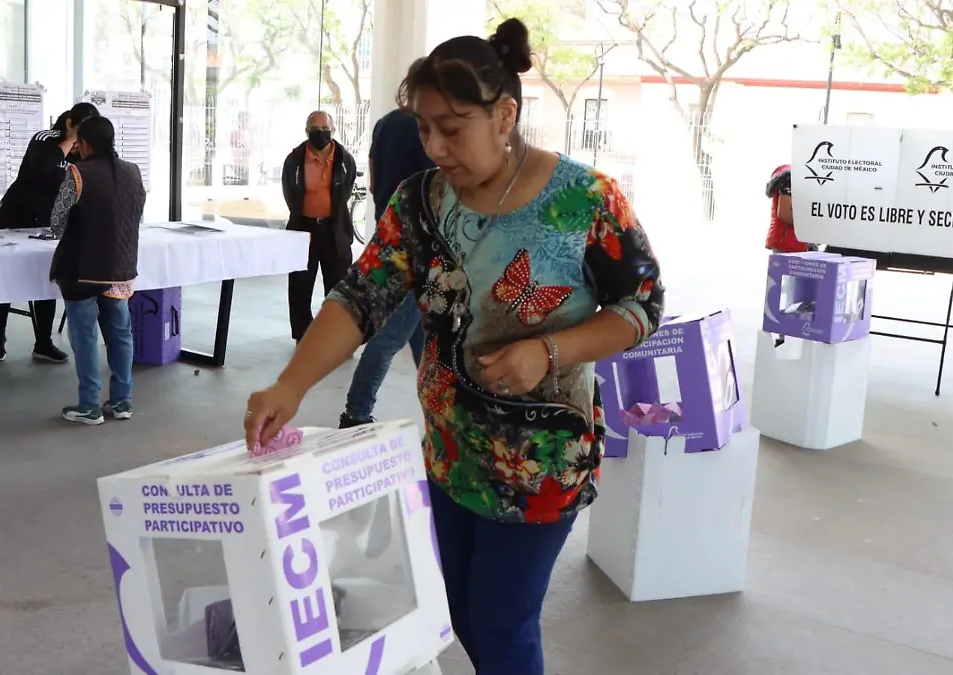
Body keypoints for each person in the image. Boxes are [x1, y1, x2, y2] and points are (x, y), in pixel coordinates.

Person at [244, 19, 663, 674]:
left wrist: (549, 352)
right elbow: (362, 297)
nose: (435, 145)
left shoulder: (586, 200)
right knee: (457, 610)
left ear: (504, 116)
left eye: (452, 126)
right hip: (447, 452)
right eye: (423, 127)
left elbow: (643, 306)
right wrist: (290, 384)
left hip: (541, 462)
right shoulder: (419, 203)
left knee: (500, 625)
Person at [339, 83, 438, 429]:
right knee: (390, 337)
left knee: (424, 340)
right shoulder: (426, 130)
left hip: (390, 229)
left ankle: (439, 414)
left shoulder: (384, 123)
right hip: (419, 246)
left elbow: (373, 172)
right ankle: (356, 413)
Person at [50, 116, 145, 426]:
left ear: (86, 144)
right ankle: (122, 401)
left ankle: (89, 405)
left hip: (82, 267)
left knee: (86, 335)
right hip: (120, 267)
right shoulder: (133, 171)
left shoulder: (77, 172)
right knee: (120, 334)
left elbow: (57, 222)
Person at [0, 102, 99, 365]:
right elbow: (41, 170)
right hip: (15, 215)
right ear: (70, 123)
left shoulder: (82, 151)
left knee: (45, 277)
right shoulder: (46, 139)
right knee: (5, 276)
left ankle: (43, 342)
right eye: (80, 131)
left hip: (47, 220)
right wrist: (69, 138)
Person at [281, 110, 358, 343]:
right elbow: (289, 192)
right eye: (314, 130)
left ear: (332, 131)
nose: (319, 134)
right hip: (303, 229)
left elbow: (347, 186)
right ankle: (302, 334)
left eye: (324, 129)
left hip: (334, 229)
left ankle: (335, 336)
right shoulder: (295, 159)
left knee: (339, 286)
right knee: (300, 285)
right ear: (306, 132)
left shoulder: (344, 159)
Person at [764, 164, 809, 253]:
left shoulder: (794, 173)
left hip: (789, 241)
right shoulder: (791, 177)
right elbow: (785, 214)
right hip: (788, 242)